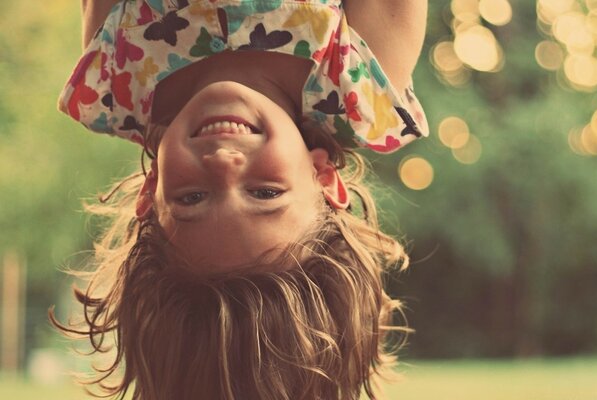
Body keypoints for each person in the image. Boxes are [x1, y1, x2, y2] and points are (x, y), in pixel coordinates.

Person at [51, 1, 429, 399]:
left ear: (152, 188)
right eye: (265, 193)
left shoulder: (114, 80)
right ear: (323, 180)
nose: (223, 163)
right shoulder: (360, 85)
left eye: (193, 197)